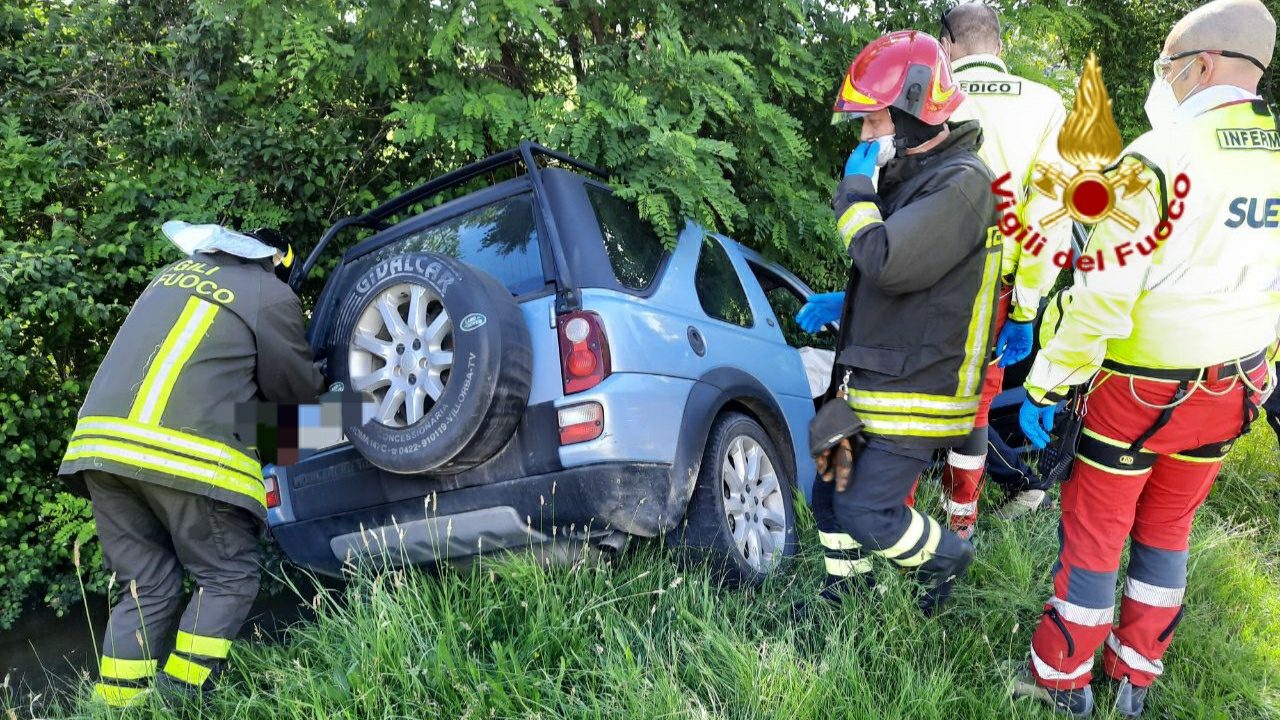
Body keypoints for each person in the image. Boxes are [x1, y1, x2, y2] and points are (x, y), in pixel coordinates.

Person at [1011, 0, 1280, 715]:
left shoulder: (1154, 159)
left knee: (1097, 535)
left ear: (1201, 64)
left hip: (1137, 397)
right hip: (1234, 391)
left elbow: (1100, 303)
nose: (1162, 79)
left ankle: (1063, 681)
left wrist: (1045, 386)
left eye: (1167, 64)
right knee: (1167, 534)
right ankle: (1134, 676)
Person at [59, 221, 324, 706]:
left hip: (99, 449)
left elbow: (210, 381)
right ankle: (180, 699)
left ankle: (116, 708)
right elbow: (295, 397)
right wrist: (342, 412)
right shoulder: (270, 293)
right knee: (229, 577)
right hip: (183, 454)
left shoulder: (173, 274)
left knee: (147, 586)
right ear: (278, 265)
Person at [803, 30, 1000, 615]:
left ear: (912, 115)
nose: (864, 137)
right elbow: (909, 280)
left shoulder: (962, 182)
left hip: (914, 389)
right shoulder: (914, 180)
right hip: (868, 377)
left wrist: (856, 190)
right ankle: (844, 596)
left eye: (872, 122)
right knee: (829, 490)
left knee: (867, 510)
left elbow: (885, 260)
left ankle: (947, 559)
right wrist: (844, 305)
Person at [935, 3, 1073, 538]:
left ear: (947, 45)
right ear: (1000, 48)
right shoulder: (1044, 104)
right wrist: (1028, 307)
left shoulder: (929, 95)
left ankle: (894, 527)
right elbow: (1050, 212)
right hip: (998, 283)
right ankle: (960, 527)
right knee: (975, 404)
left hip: (923, 276)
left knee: (914, 393)